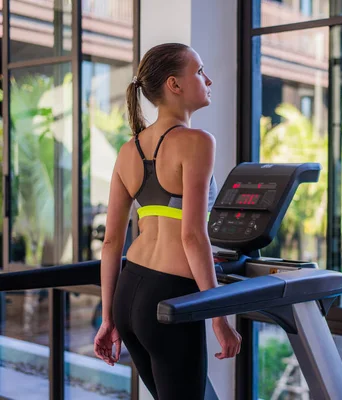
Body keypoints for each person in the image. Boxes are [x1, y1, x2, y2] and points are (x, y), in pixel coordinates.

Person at [93, 42, 242, 399]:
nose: (207, 79)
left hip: (129, 295)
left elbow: (112, 243)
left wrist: (108, 318)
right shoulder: (197, 142)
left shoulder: (129, 150)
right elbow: (192, 235)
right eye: (199, 71)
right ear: (174, 85)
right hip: (172, 297)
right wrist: (218, 317)